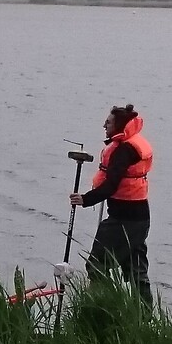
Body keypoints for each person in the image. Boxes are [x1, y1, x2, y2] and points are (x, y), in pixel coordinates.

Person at [69, 104, 154, 306]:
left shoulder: (124, 150)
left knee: (96, 265)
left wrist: (85, 199)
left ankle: (99, 306)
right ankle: (144, 315)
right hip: (139, 219)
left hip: (123, 220)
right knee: (135, 269)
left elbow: (111, 185)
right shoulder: (129, 144)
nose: (104, 125)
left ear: (120, 125)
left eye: (108, 122)